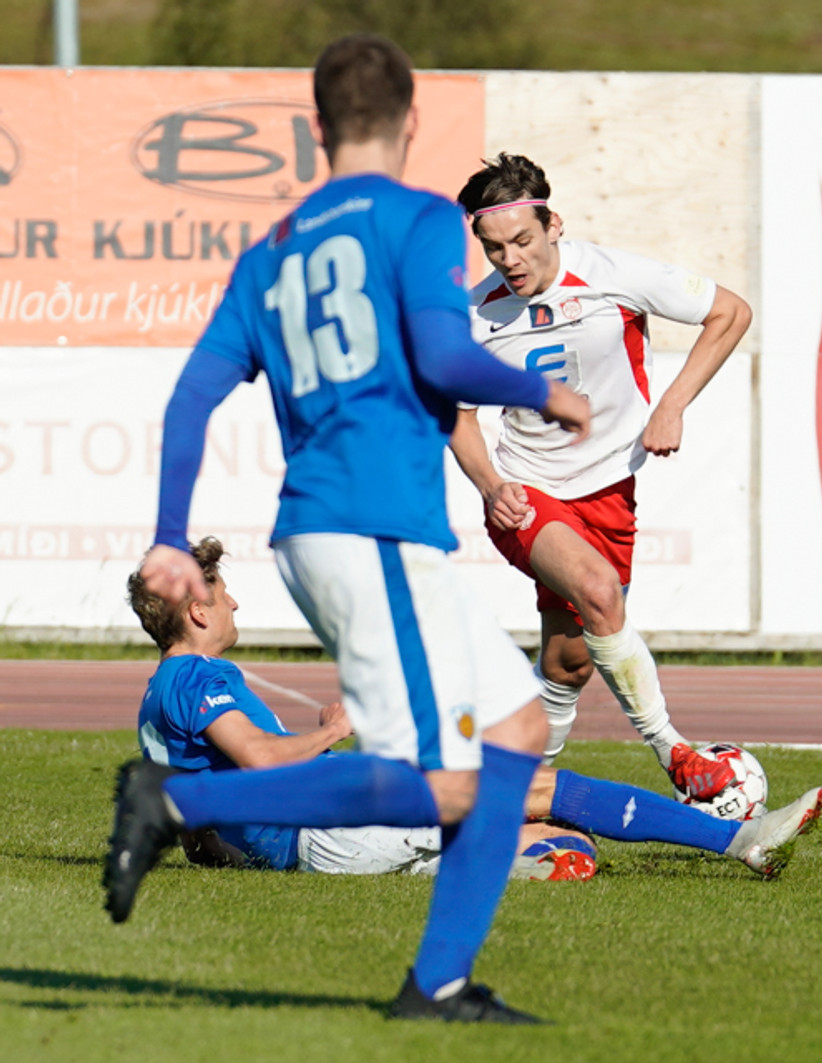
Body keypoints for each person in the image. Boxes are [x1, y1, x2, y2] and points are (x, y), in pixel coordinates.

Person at [104, 34, 593, 1026]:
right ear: (411, 121)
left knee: (516, 731)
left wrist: (168, 532)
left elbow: (192, 397)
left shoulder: (270, 252)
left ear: (318, 129)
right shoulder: (418, 218)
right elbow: (443, 358)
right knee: (443, 785)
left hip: (345, 529)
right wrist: (542, 390)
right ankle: (179, 800)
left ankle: (439, 984)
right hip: (368, 525)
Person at [127, 537, 822, 885]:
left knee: (564, 842)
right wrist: (335, 731)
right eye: (221, 592)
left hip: (323, 836)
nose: (234, 602)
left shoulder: (160, 692)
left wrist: (237, 855)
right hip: (330, 824)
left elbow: (200, 817)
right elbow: (256, 758)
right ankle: (739, 838)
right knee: (535, 785)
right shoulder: (196, 675)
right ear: (197, 610)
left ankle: (483, 858)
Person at [452, 154, 754, 794]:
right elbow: (457, 416)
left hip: (611, 490)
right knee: (598, 591)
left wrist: (672, 404)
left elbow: (730, 313)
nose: (510, 260)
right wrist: (490, 486)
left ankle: (514, 789)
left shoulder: (616, 276)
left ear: (554, 225)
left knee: (569, 664)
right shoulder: (472, 318)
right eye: (494, 248)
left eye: (522, 241)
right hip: (526, 491)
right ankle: (676, 754)